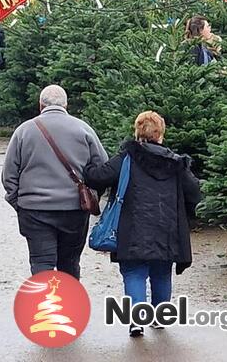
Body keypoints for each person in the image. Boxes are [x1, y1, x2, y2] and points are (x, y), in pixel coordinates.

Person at [83, 111, 202, 337]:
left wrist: (86, 165)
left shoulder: (127, 158)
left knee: (134, 272)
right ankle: (159, 316)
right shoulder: (175, 162)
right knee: (161, 271)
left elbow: (97, 176)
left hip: (133, 228)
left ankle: (136, 321)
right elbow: (195, 191)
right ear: (161, 134)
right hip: (166, 228)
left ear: (137, 132)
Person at [1, 85, 108, 280]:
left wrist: (20, 203)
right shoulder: (83, 129)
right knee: (70, 264)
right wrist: (91, 196)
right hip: (74, 209)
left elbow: (9, 174)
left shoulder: (24, 131)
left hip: (34, 210)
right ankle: (70, 307)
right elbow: (102, 168)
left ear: (40, 105)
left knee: (41, 264)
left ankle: (43, 308)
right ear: (66, 105)